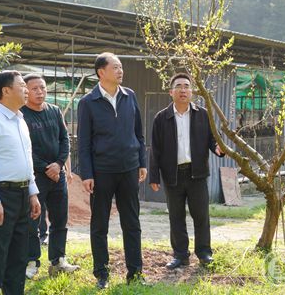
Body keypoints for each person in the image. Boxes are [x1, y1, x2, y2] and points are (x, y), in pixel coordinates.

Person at [77, 52, 147, 289]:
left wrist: (142, 162)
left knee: (132, 223)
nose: (120, 71)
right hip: (102, 172)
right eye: (115, 67)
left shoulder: (130, 96)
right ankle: (102, 274)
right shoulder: (88, 102)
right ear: (101, 72)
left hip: (129, 169)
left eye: (121, 67)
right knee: (100, 225)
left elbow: (139, 133)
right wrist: (87, 174)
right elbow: (84, 142)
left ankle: (135, 273)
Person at [0, 70, 41, 295]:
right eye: (22, 85)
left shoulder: (20, 120)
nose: (26, 90)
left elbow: (27, 160)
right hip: (1, 196)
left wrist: (32, 193)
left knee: (18, 258)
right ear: (6, 91)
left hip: (22, 196)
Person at [149, 72, 223, 269]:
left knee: (201, 216)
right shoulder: (161, 118)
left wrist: (218, 148)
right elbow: (155, 149)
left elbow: (212, 139)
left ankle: (204, 253)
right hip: (172, 175)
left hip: (196, 173)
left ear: (192, 92)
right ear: (171, 92)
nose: (183, 90)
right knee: (176, 217)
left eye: (187, 86)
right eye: (179, 86)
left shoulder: (203, 114)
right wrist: (154, 176)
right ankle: (180, 255)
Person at [21, 74, 79, 279]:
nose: (40, 92)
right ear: (25, 91)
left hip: (57, 175)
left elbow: (65, 140)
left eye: (43, 88)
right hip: (35, 176)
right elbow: (24, 148)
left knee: (60, 218)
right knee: (32, 220)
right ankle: (31, 261)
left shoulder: (54, 111)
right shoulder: (21, 114)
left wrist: (59, 164)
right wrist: (46, 167)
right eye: (35, 89)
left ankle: (58, 260)